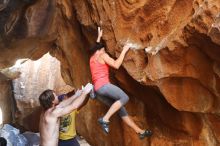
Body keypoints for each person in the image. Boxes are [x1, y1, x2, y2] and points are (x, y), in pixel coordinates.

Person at [89, 27, 152, 139]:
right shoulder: (102, 55)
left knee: (120, 109)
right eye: (103, 50)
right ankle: (105, 119)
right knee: (124, 98)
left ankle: (140, 131)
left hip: (98, 91)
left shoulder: (92, 58)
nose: (104, 51)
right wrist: (124, 50)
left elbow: (97, 46)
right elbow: (116, 65)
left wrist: (98, 37)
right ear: (100, 51)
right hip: (104, 86)